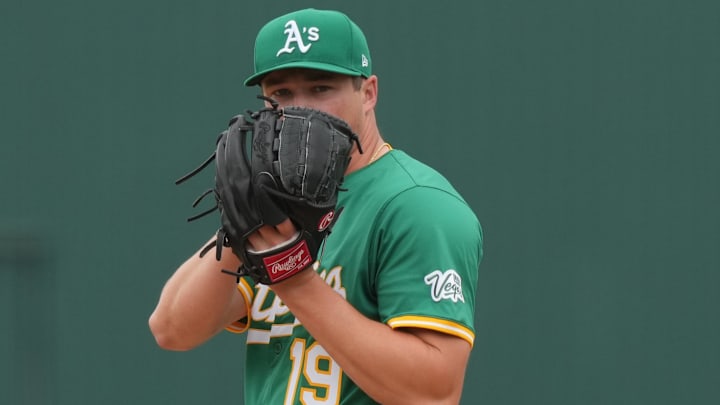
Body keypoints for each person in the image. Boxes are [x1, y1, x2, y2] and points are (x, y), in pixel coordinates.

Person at [149, 8, 483, 405]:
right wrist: (237, 225)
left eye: (321, 88)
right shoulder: (280, 201)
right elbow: (172, 328)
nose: (300, 109)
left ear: (369, 92)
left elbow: (434, 394)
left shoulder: (417, 205)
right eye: (281, 94)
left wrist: (292, 276)